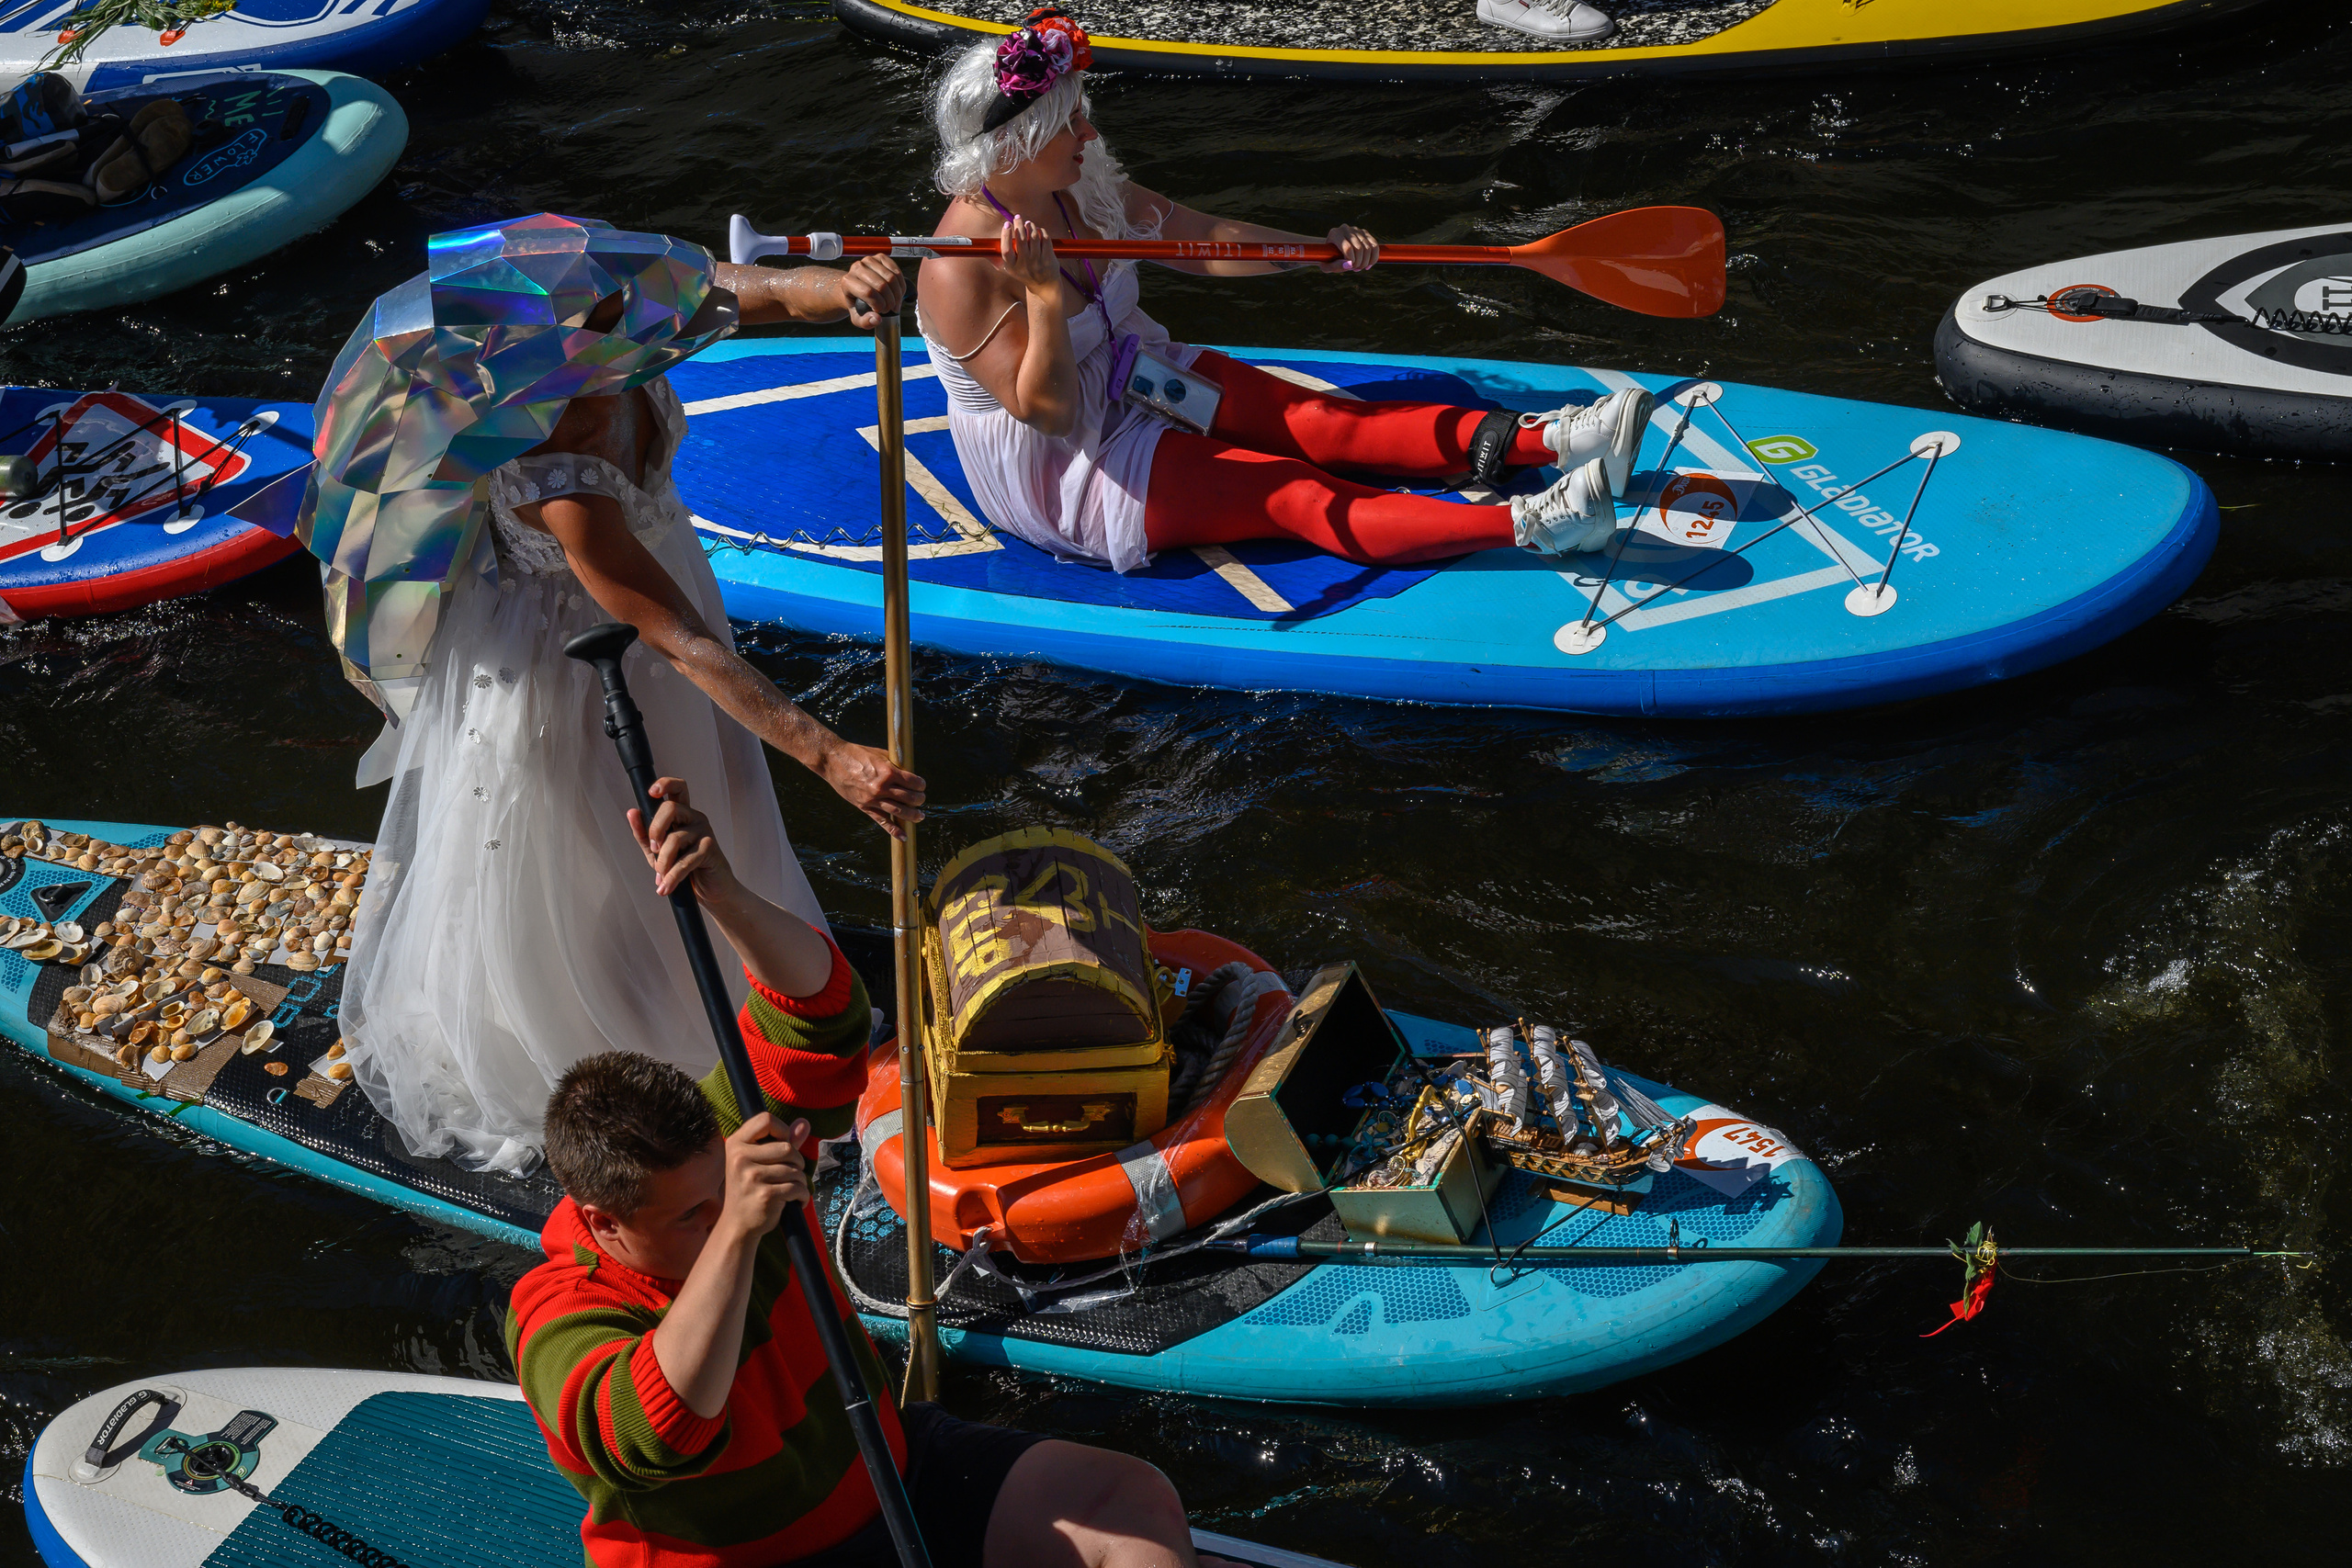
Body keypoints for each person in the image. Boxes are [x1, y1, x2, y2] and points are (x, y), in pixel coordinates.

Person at [300, 214, 927, 1173]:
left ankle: (755, 993)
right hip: (579, 669)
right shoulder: (547, 459)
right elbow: (671, 636)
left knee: (716, 806)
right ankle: (649, 1065)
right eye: (599, 323)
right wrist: (829, 754)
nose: (630, 324)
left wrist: (841, 291)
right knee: (607, 856)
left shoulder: (615, 318)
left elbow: (739, 288)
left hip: (671, 609)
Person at [508, 778, 1244, 1568]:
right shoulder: (558, 1314)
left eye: (725, 1186)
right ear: (604, 1222)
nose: (729, 1205)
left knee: (1134, 1502)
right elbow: (660, 1430)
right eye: (693, 1215)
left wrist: (725, 895)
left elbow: (821, 1014)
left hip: (891, 1471)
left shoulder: (731, 1142)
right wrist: (737, 1233)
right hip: (757, 1562)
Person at [915, 8, 1652, 577]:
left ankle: (1553, 440)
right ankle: (1540, 524)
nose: (1089, 133)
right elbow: (1048, 411)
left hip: (1135, 371)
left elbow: (1200, 239)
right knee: (1295, 492)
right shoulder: (957, 268)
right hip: (1069, 462)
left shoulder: (1083, 183)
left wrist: (1311, 253)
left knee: (1326, 422)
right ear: (1015, 142)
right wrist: (1045, 297)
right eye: (1070, 122)